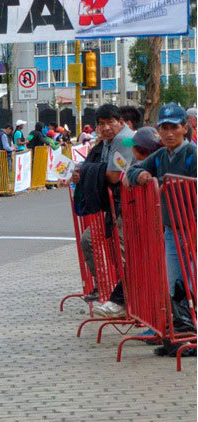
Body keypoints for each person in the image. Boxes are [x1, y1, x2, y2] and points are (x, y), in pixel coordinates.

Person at [126, 103, 197, 356]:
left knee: (192, 281)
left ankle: (190, 335)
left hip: (192, 227)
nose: (169, 133)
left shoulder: (192, 153)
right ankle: (183, 335)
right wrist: (141, 177)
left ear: (184, 128)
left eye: (174, 128)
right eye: (164, 128)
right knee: (176, 282)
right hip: (172, 229)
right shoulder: (160, 156)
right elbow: (132, 171)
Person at [74, 104, 134, 317]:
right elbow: (103, 170)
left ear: (121, 121)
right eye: (102, 124)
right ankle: (109, 291)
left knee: (127, 256)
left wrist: (88, 172)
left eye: (111, 122)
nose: (107, 127)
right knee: (90, 241)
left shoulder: (125, 139)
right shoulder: (108, 141)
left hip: (129, 206)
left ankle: (125, 301)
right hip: (113, 207)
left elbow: (114, 175)